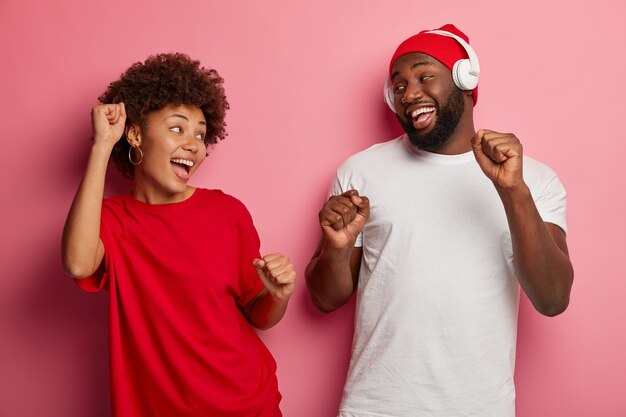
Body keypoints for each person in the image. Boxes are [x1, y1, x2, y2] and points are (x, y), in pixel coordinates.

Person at [305, 24, 573, 416]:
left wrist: (513, 192)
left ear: (466, 79)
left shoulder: (532, 178)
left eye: (425, 76)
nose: (410, 94)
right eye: (398, 86)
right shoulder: (359, 173)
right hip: (374, 406)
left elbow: (552, 299)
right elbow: (324, 298)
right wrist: (335, 247)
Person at [62, 53, 295, 417]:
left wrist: (277, 295)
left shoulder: (227, 213)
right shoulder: (111, 220)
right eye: (177, 128)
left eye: (201, 134)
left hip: (246, 404)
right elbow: (77, 263)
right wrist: (103, 145)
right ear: (136, 135)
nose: (194, 144)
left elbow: (258, 315)